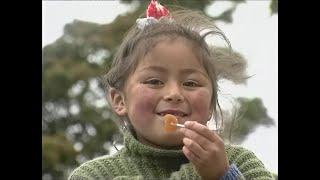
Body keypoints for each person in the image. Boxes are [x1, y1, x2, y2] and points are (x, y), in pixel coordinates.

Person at [69, 0, 274, 179]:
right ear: (120, 100)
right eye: (154, 81)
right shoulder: (94, 175)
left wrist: (223, 176)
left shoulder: (239, 163)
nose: (174, 94)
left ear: (211, 104)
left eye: (191, 83)